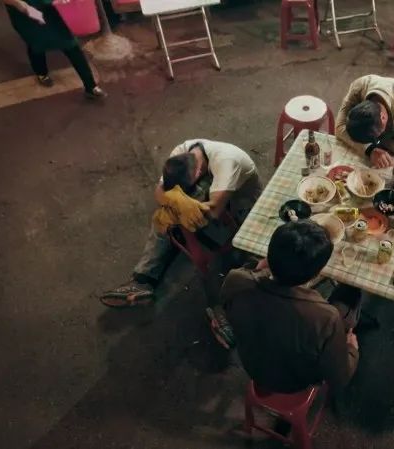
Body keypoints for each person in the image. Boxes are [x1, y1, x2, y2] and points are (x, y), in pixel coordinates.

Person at [100, 139, 261, 307]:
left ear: (198, 173)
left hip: (240, 205)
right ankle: (142, 281)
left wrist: (177, 211)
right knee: (167, 211)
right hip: (211, 188)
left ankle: (235, 275)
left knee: (177, 217)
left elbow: (214, 210)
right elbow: (160, 191)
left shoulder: (227, 162)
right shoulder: (180, 152)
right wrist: (175, 205)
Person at [223, 221, 361, 393]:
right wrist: (351, 350)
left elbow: (230, 309)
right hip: (293, 383)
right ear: (316, 274)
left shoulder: (236, 279)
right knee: (350, 296)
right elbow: (340, 379)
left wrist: (260, 271)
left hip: (252, 366)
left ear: (268, 256)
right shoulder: (325, 318)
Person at [2, 0, 107, 99]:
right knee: (37, 43)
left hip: (50, 8)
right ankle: (41, 72)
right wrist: (22, 6)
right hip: (25, 12)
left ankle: (91, 86)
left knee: (70, 44)